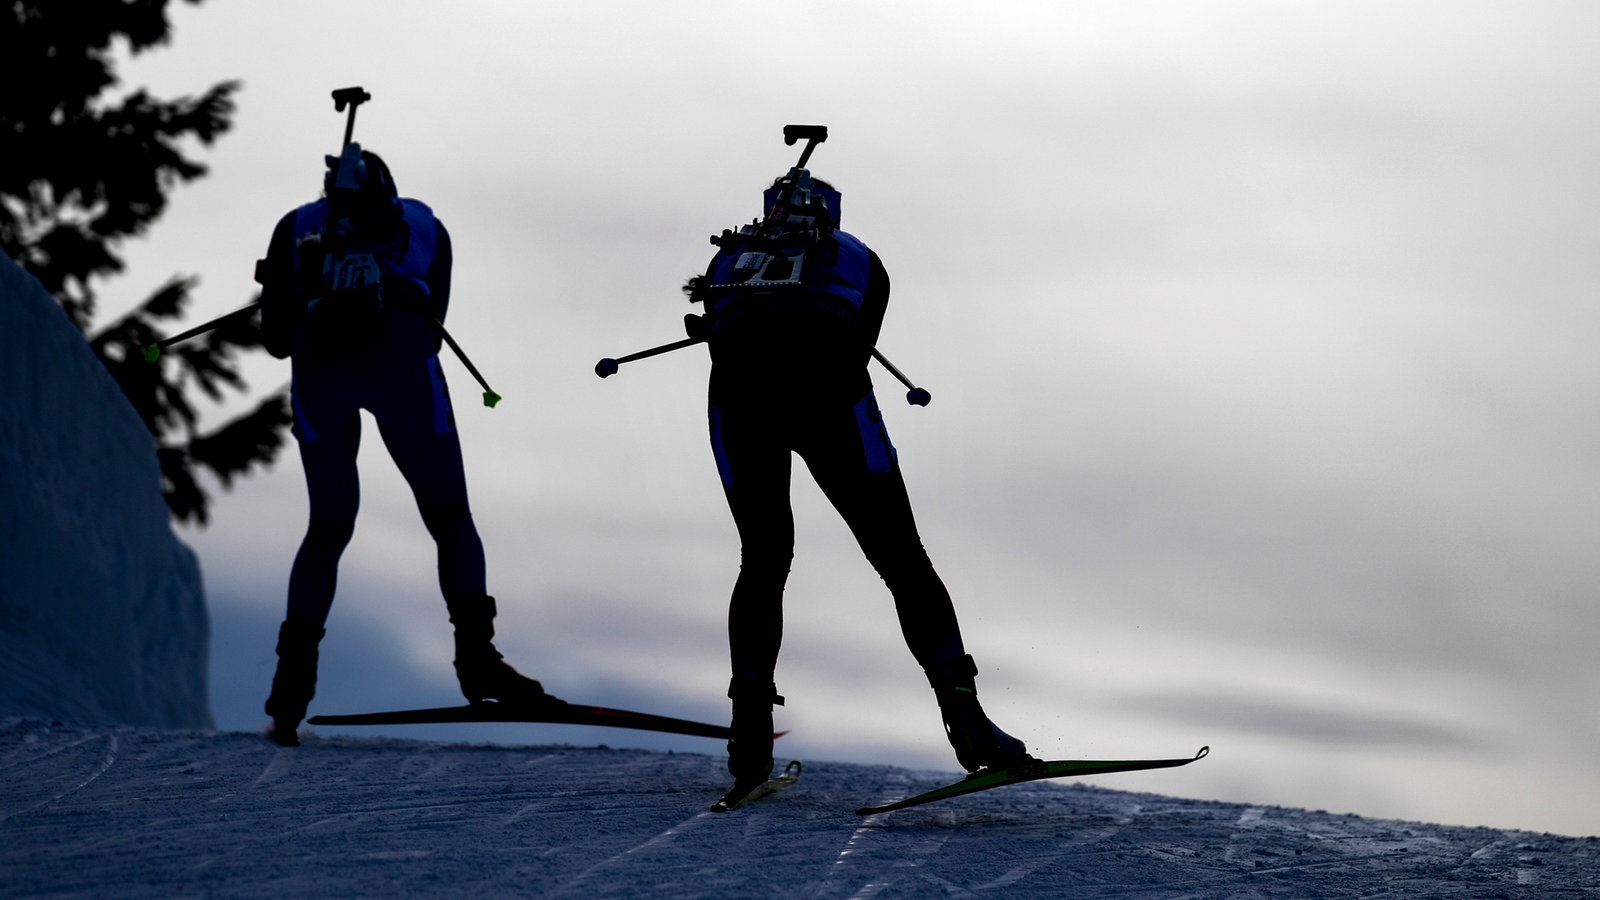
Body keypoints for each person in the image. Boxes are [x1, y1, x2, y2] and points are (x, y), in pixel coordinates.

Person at [685, 166, 1032, 792]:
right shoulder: (860, 257)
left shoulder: (731, 255)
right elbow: (860, 341)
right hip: (832, 403)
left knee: (763, 559)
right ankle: (968, 722)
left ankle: (749, 737)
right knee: (903, 559)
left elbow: (716, 336)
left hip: (739, 403)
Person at [254, 144, 552, 746]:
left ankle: (290, 690)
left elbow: (276, 340)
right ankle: (478, 660)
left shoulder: (296, 227)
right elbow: (435, 317)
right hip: (402, 357)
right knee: (448, 516)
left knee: (329, 525)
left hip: (320, 364)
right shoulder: (423, 222)